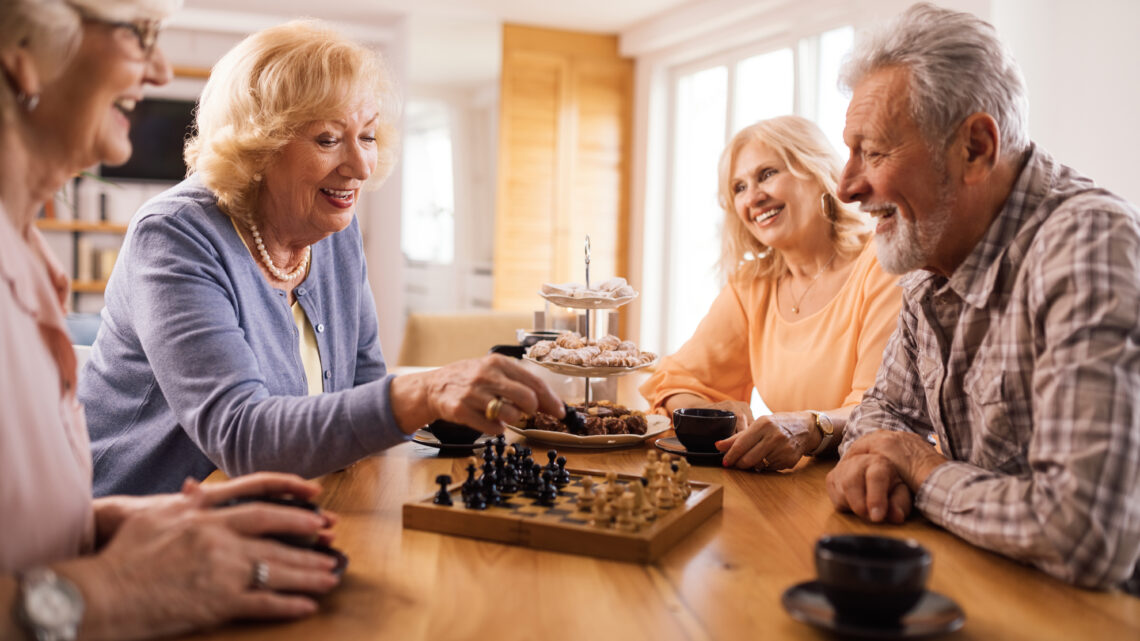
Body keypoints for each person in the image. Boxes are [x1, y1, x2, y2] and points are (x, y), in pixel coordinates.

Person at [81, 18, 564, 497]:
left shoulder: (334, 231)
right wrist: (425, 391)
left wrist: (462, 401)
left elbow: (364, 387)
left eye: (368, 136)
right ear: (259, 147)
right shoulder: (175, 235)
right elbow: (241, 435)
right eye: (328, 139)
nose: (359, 167)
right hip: (131, 528)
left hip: (277, 508)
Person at [1, 1, 345, 639]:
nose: (160, 70)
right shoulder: (174, 231)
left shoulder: (27, 253)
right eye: (138, 35)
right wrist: (113, 588)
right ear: (23, 57)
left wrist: (117, 527)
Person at [826, 3, 1140, 592]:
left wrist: (918, 468)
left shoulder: (1087, 242)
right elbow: (882, 416)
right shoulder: (933, 252)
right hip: (987, 587)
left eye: (872, 152)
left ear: (974, 147)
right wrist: (875, 461)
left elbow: (1083, 537)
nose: (846, 186)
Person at [640, 116, 902, 471]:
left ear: (816, 171)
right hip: (788, 489)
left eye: (766, 174)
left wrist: (811, 428)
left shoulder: (883, 265)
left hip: (865, 481)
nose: (754, 197)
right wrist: (710, 410)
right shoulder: (753, 286)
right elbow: (676, 379)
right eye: (739, 187)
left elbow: (880, 410)